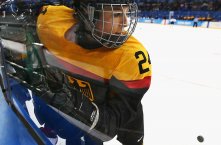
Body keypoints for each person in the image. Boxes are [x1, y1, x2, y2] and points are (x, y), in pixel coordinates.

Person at [34, 0, 152, 145]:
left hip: (95, 118)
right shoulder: (49, 22)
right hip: (67, 109)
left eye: (127, 13)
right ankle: (50, 127)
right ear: (87, 15)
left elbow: (112, 123)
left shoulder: (131, 57)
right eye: (116, 14)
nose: (125, 22)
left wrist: (76, 104)